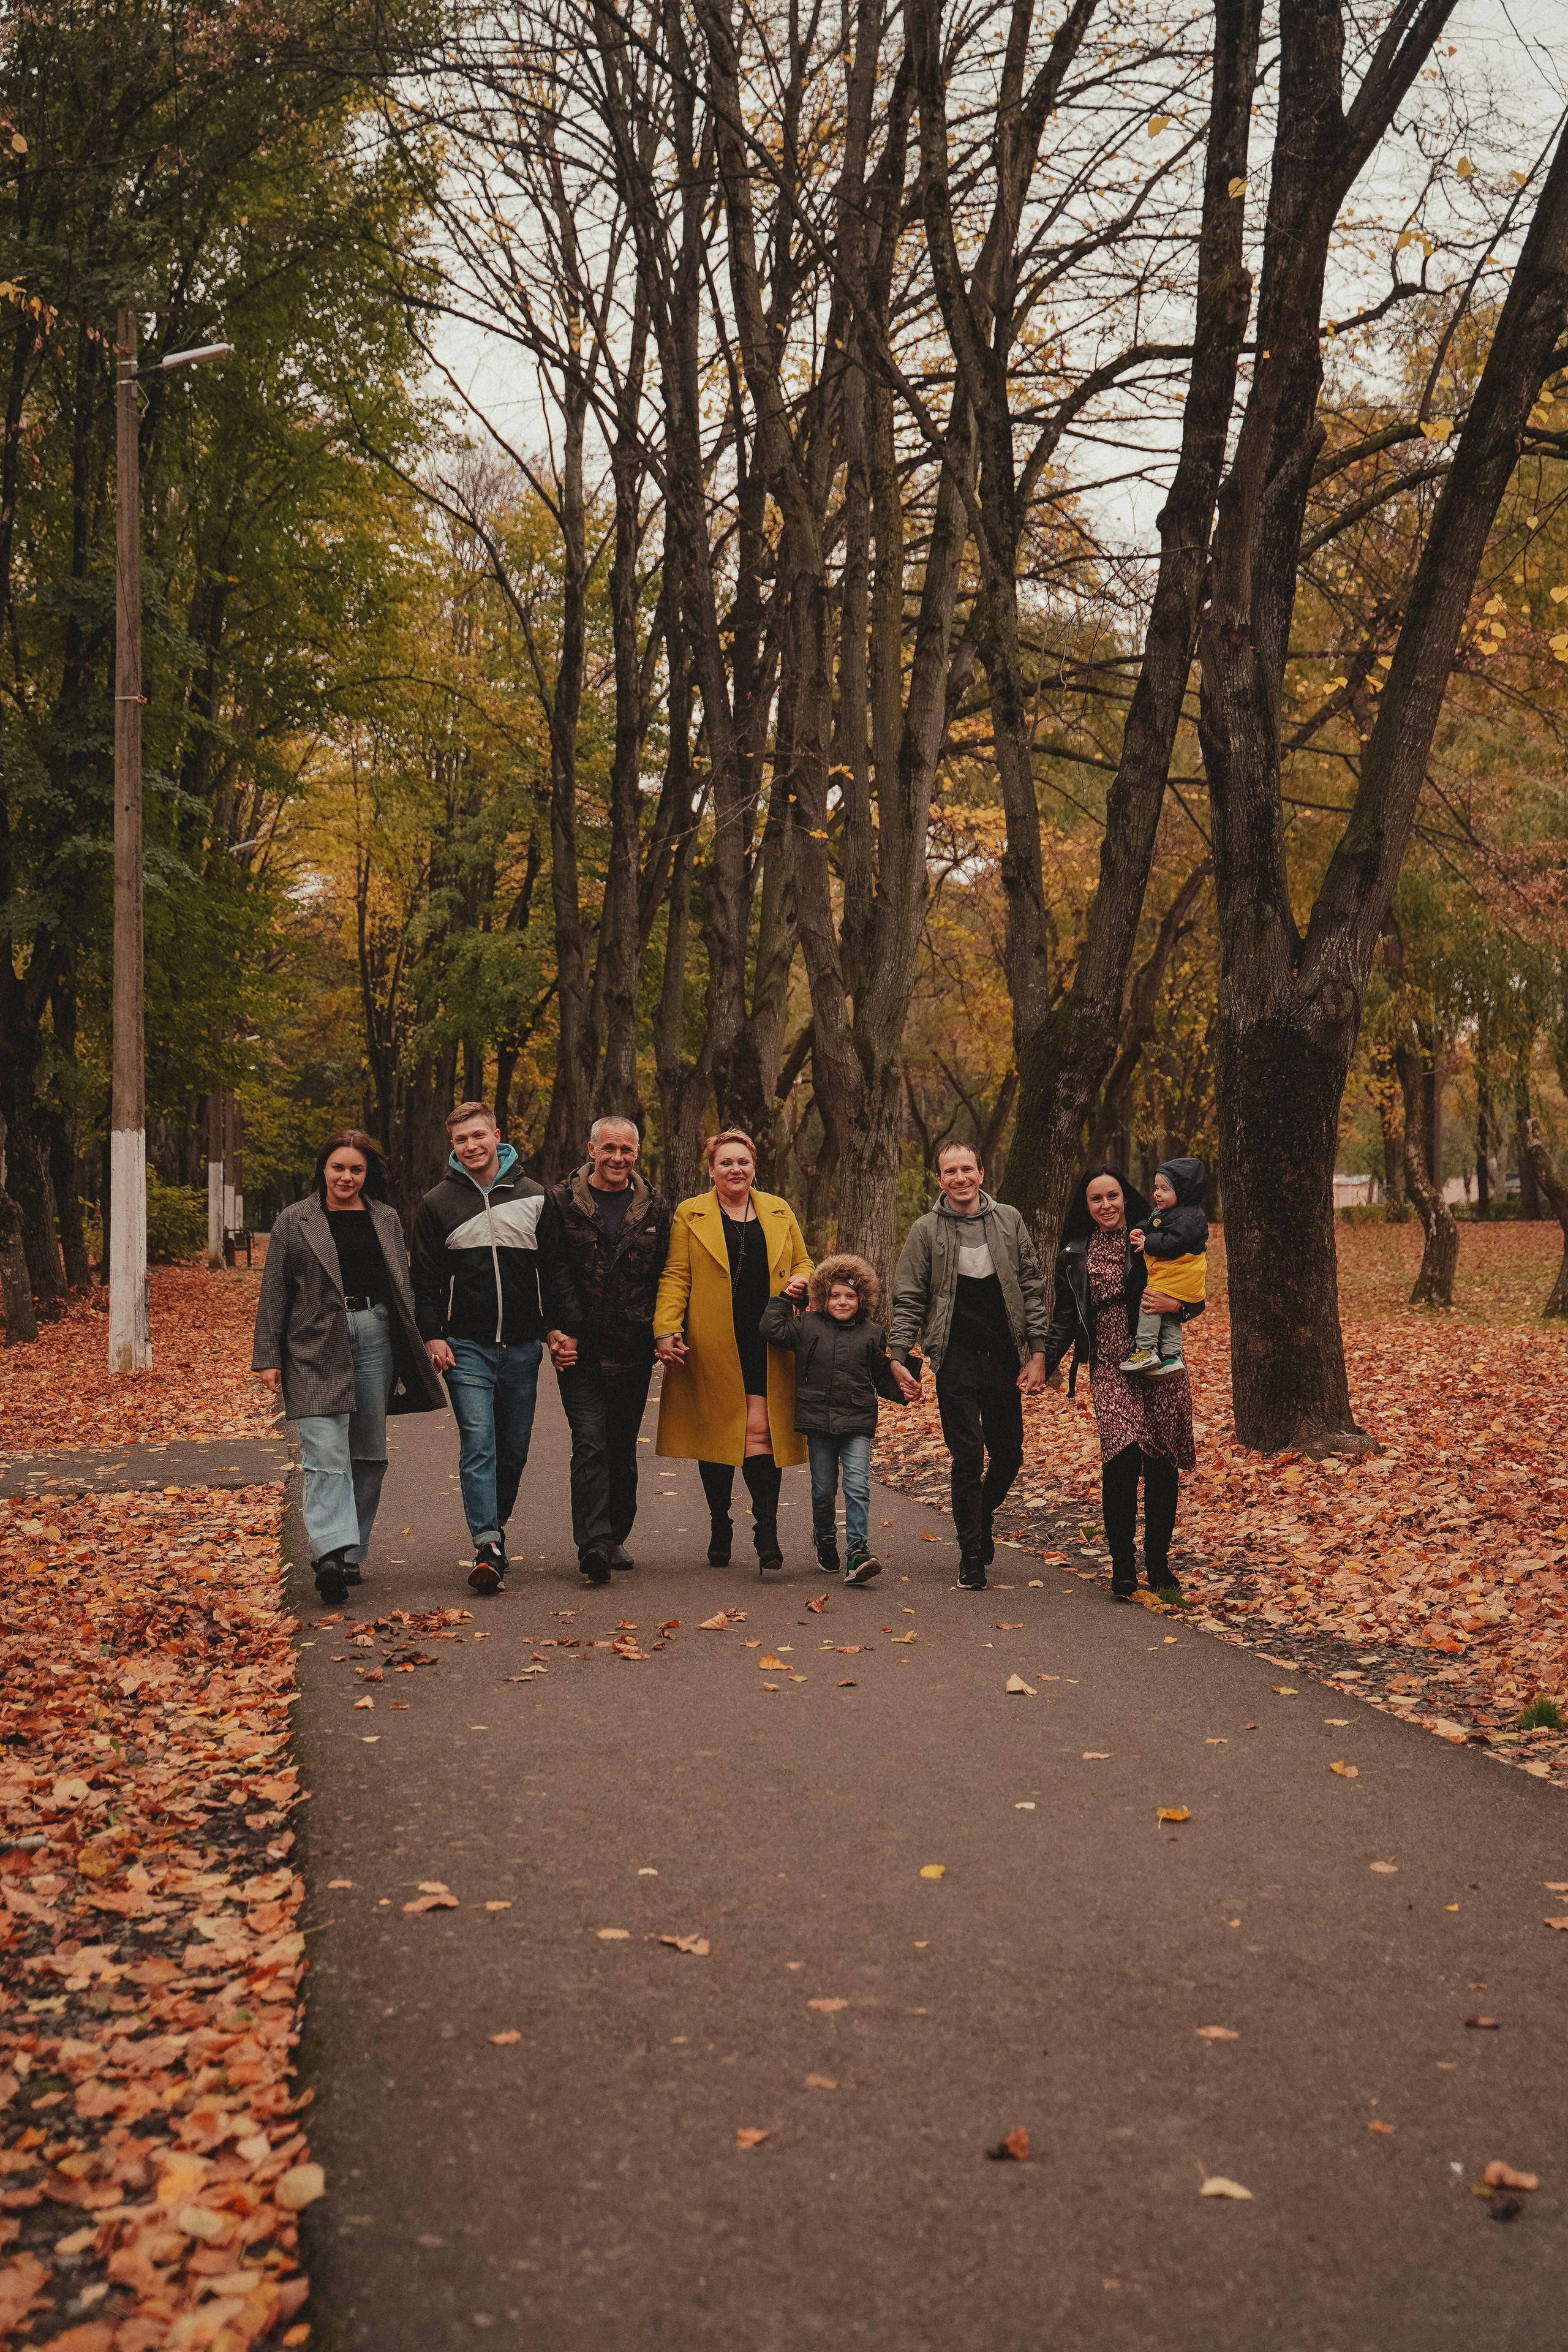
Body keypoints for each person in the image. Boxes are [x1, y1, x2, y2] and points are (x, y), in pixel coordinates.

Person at [252, 1128, 445, 1605]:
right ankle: (331, 1554)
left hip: (374, 1335)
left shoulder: (385, 1218)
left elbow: (402, 1285)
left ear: (367, 1173)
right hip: (313, 1344)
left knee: (368, 1456)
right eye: (338, 1167)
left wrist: (422, 1340)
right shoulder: (295, 1220)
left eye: (356, 1169)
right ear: (323, 1168)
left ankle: (351, 1549)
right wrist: (268, 1357)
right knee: (323, 1453)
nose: (346, 1176)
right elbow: (275, 1290)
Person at [412, 1101, 584, 1595]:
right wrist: (433, 1333)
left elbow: (554, 1271)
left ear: (497, 1137)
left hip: (523, 1348)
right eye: (461, 1140)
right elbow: (423, 1277)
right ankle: (486, 1542)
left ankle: (496, 1529)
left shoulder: (535, 1198)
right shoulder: (437, 1203)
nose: (471, 1146)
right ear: (453, 1146)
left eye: (478, 1137)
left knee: (513, 1449)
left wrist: (557, 1328)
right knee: (479, 1443)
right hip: (465, 1347)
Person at [887, 1140, 1049, 1591]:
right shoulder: (925, 1230)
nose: (959, 1178)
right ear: (939, 1180)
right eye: (950, 1171)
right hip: (955, 1357)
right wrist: (900, 1355)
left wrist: (1038, 1353)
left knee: (1010, 1453)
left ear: (981, 1173)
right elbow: (908, 1297)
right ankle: (971, 1555)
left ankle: (979, 1515)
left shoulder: (1009, 1220)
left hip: (1002, 1355)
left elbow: (1033, 1287)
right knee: (966, 1457)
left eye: (967, 1169)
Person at [653, 1130, 812, 1574]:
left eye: (742, 1161)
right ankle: (720, 1523)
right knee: (719, 1432)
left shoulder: (779, 1209)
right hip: (713, 1340)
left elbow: (804, 1262)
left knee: (761, 1431)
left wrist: (802, 1282)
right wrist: (666, 1328)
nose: (735, 1169)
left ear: (754, 1166)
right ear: (712, 1170)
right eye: (726, 1163)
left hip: (769, 1337)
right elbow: (675, 1275)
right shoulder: (691, 1213)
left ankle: (767, 1531)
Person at [1038, 1163, 1199, 1602]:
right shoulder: (1075, 1251)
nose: (1106, 1205)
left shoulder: (1155, 1235)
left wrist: (1180, 1305)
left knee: (1161, 1462)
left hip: (1159, 1360)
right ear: (1086, 1206)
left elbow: (1191, 1283)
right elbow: (1065, 1318)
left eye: (1113, 1196)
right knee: (1121, 1456)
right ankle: (1123, 1566)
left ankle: (1159, 1561)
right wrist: (1043, 1364)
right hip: (1109, 1364)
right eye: (1096, 1199)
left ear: (1126, 1197)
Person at [546, 1116, 672, 1585]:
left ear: (637, 1153)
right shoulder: (561, 1202)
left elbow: (666, 1274)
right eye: (609, 1148)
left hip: (634, 1347)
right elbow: (552, 1270)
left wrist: (666, 1330)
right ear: (591, 1149)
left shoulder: (655, 1206)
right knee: (590, 1440)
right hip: (579, 1349)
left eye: (627, 1149)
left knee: (621, 1446)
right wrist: (559, 1329)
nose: (618, 1157)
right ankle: (593, 1543)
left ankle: (616, 1533)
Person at [760, 1254, 908, 1585]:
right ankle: (825, 1536)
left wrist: (906, 1386)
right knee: (823, 1490)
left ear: (863, 1299)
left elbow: (881, 1376)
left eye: (851, 1296)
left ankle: (858, 1550)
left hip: (857, 1419)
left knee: (857, 1487)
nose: (843, 1302)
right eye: (835, 1295)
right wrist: (786, 1298)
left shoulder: (872, 1333)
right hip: (818, 1421)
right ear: (822, 1298)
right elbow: (770, 1329)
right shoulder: (807, 1325)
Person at [1120, 1157, 1208, 1376]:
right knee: (1167, 1313)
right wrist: (1141, 1229)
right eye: (1157, 1188)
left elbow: (1174, 1242)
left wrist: (1148, 1243)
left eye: (1164, 1189)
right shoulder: (1170, 1212)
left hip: (1179, 1272)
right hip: (1178, 1276)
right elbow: (1153, 1222)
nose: (1157, 1194)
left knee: (1150, 1303)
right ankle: (1172, 1355)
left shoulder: (1189, 1217)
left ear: (1183, 1191)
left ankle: (1146, 1349)